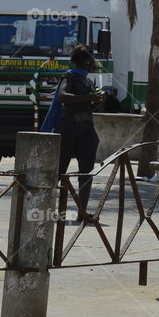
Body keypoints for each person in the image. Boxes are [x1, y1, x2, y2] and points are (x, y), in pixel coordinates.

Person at [49, 45, 103, 222]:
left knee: (86, 173)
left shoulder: (88, 81)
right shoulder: (70, 76)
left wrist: (96, 102)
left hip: (86, 130)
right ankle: (49, 210)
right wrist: (89, 98)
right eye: (92, 58)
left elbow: (85, 106)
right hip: (68, 130)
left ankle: (82, 212)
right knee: (59, 172)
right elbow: (63, 97)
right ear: (88, 60)